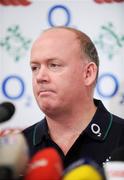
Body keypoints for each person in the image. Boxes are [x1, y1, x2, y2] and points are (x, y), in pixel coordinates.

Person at [23, 26, 124, 169]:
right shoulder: (16, 151)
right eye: (35, 68)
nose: (40, 77)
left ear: (88, 73)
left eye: (54, 65)